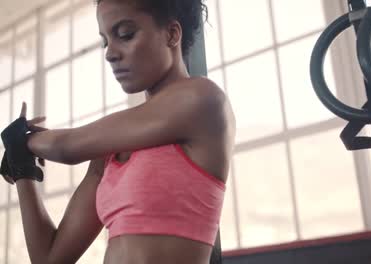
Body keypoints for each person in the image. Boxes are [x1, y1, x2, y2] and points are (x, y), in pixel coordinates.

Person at [0, 0, 236, 263]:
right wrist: (22, 169)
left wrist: (24, 141)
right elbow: (49, 258)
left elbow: (66, 147)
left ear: (172, 34)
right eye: (105, 41)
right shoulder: (110, 149)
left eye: (125, 35)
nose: (110, 53)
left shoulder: (203, 99)